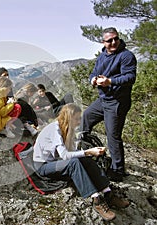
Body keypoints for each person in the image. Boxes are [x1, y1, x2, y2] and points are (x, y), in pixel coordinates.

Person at [33, 103, 129, 221]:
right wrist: (88, 151)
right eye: (77, 119)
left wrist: (87, 153)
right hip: (43, 166)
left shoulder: (67, 129)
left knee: (85, 160)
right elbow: (65, 155)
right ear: (69, 117)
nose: (79, 122)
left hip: (55, 162)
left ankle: (107, 192)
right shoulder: (55, 129)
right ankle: (96, 199)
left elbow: (71, 152)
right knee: (75, 163)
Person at [81, 27, 137, 182]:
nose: (113, 42)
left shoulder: (126, 56)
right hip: (103, 99)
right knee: (86, 116)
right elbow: (93, 73)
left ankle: (118, 171)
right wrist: (93, 80)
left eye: (115, 39)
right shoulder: (102, 56)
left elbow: (130, 77)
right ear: (103, 42)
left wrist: (109, 81)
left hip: (117, 101)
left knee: (112, 135)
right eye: (109, 40)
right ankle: (84, 147)